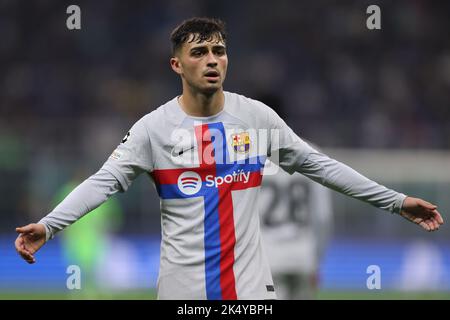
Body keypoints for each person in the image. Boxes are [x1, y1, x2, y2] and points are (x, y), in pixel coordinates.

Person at [15, 17, 444, 300]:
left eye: (218, 50)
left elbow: (321, 166)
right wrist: (49, 225)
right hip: (183, 294)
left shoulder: (255, 118)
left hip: (251, 293)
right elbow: (102, 181)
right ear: (176, 65)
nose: (212, 60)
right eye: (199, 53)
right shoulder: (152, 129)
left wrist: (396, 201)